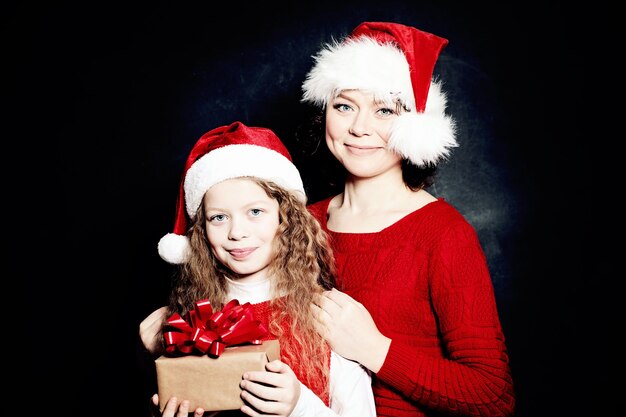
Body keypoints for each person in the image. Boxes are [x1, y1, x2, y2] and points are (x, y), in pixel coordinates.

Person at [297, 21, 515, 417]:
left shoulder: (443, 234)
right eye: (344, 106)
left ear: (415, 127)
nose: (359, 128)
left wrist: (374, 349)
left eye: (384, 110)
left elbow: (493, 396)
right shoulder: (302, 223)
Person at [143, 121, 376, 417]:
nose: (236, 232)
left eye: (255, 212)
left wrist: (299, 406)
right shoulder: (186, 323)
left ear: (285, 219)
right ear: (201, 230)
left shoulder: (330, 316)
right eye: (218, 218)